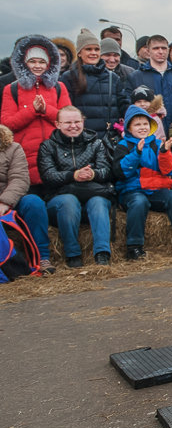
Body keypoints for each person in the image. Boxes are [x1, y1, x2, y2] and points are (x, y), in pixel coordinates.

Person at [112, 103, 172, 259]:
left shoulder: (157, 143)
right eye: (137, 125)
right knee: (139, 202)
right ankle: (134, 246)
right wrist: (136, 153)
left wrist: (164, 153)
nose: (142, 127)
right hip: (132, 190)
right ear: (129, 128)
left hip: (156, 189)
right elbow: (121, 172)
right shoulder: (123, 146)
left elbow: (170, 171)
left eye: (145, 124)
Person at [37, 106, 114, 268]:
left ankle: (102, 253)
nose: (73, 126)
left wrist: (92, 174)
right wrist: (73, 175)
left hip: (91, 194)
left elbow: (107, 170)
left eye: (77, 121)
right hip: (60, 200)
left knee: (98, 202)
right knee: (68, 201)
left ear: (83, 122)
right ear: (57, 124)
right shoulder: (47, 147)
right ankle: (73, 254)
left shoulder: (96, 143)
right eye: (68, 122)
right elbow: (48, 176)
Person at [2, 35, 72, 194]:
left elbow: (68, 119)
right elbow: (7, 124)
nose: (37, 66)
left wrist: (45, 110)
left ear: (49, 64)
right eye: (32, 61)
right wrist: (32, 111)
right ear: (24, 64)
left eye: (42, 62)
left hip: (56, 155)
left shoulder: (59, 87)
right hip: (24, 158)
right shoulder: (11, 89)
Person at [0, 123, 53, 273]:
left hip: (10, 200)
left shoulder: (12, 148)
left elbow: (20, 179)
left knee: (34, 203)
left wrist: (4, 202)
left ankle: (42, 257)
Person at [63, 30, 131, 137]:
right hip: (81, 139)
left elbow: (124, 106)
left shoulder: (112, 78)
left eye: (97, 49)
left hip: (108, 139)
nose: (93, 53)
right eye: (88, 49)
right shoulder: (69, 77)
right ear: (79, 53)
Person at [131, 35, 172, 126]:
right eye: (156, 48)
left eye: (164, 48)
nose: (160, 51)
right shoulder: (136, 77)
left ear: (168, 50)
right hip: (150, 132)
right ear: (149, 51)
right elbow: (129, 107)